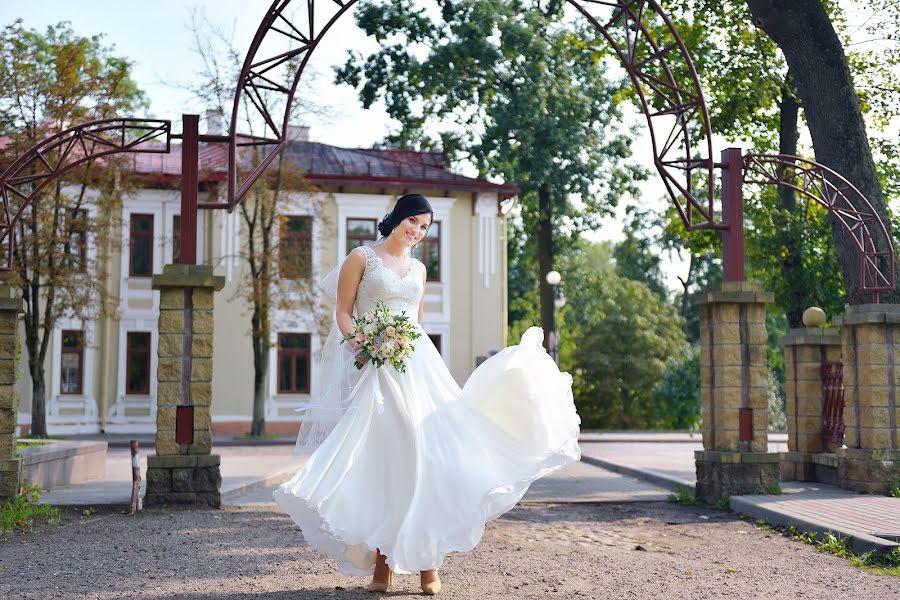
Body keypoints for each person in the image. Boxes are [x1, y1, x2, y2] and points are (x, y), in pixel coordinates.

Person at [274, 193, 581, 595]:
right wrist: (365, 344)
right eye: (413, 223)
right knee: (390, 460)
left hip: (417, 366)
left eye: (424, 228)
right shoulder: (361, 259)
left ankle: (426, 563)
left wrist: (405, 348)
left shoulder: (418, 269)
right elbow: (344, 313)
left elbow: (416, 325)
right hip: (377, 368)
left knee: (430, 457)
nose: (417, 233)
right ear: (398, 218)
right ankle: (382, 564)